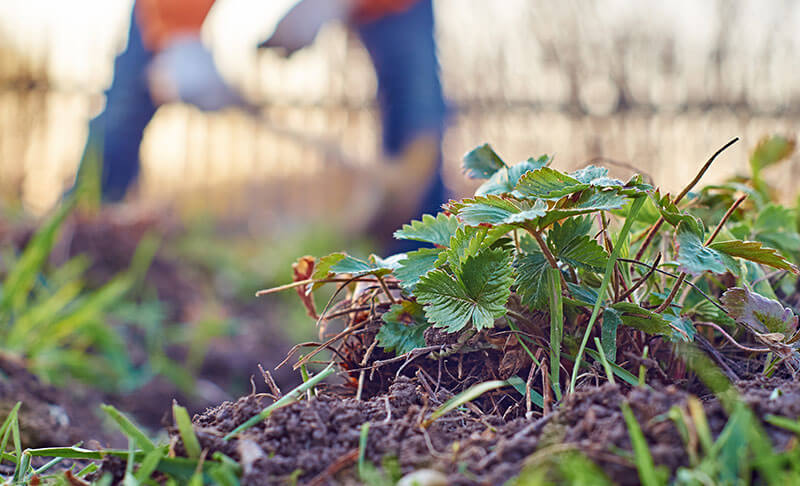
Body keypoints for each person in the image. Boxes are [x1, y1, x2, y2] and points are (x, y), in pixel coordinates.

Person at [261, 0, 449, 250]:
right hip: (377, 12)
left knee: (414, 121)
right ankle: (408, 255)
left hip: (399, 7)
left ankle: (419, 259)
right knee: (404, 120)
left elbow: (418, 152)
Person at [72, 0, 245, 203]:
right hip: (162, 18)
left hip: (177, 24)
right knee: (124, 114)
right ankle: (83, 209)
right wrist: (172, 33)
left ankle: (104, 207)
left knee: (129, 114)